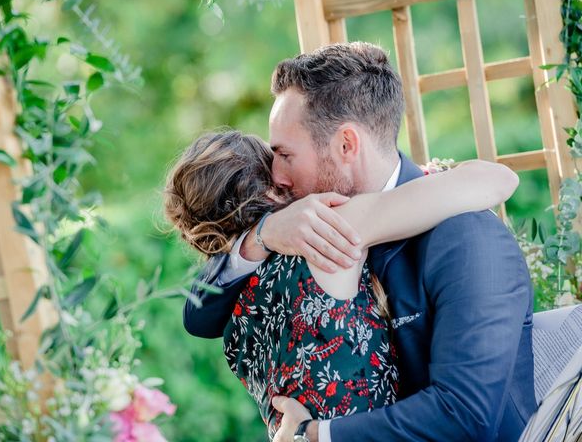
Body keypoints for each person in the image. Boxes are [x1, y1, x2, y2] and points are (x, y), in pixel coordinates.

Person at [182, 42, 536, 442]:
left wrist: (315, 434)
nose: (276, 175)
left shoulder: (465, 236)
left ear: (346, 145)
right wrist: (260, 236)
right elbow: (198, 314)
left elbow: (467, 414)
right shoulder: (298, 235)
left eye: (284, 154)